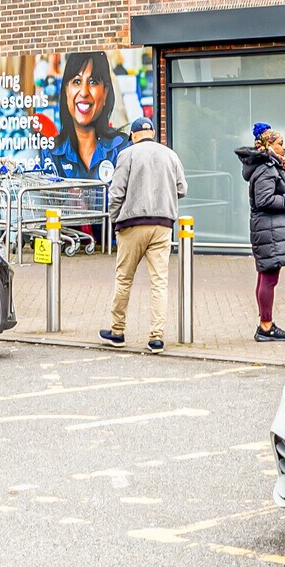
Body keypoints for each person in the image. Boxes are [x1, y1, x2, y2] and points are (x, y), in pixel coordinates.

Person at [101, 115, 187, 352]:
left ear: (133, 136)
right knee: (159, 282)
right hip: (163, 225)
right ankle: (156, 338)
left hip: (132, 224)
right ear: (152, 134)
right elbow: (182, 188)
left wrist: (114, 219)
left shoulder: (127, 155)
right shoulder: (170, 154)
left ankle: (117, 332)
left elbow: (116, 192)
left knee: (124, 279)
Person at [237, 123, 285, 342]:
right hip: (268, 229)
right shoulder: (266, 169)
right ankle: (265, 326)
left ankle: (265, 322)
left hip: (270, 228)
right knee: (269, 277)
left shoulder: (270, 165)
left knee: (267, 276)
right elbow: (265, 200)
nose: (284, 148)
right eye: (280, 144)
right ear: (269, 146)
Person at [48, 51, 130, 182]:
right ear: (66, 91)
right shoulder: (52, 152)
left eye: (92, 81)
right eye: (76, 81)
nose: (84, 92)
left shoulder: (122, 149)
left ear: (105, 93)